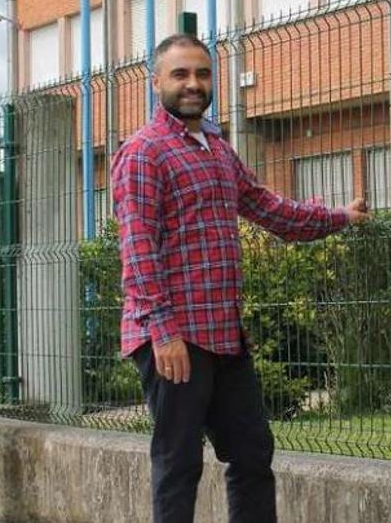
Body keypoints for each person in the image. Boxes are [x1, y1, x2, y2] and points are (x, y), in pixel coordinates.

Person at [110, 33, 370, 523]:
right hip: (174, 339)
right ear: (156, 83)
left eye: (202, 74)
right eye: (180, 74)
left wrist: (337, 217)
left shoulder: (217, 149)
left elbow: (270, 209)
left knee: (252, 453)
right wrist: (163, 331)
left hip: (223, 335)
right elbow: (138, 249)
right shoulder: (144, 152)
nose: (193, 84)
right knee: (178, 462)